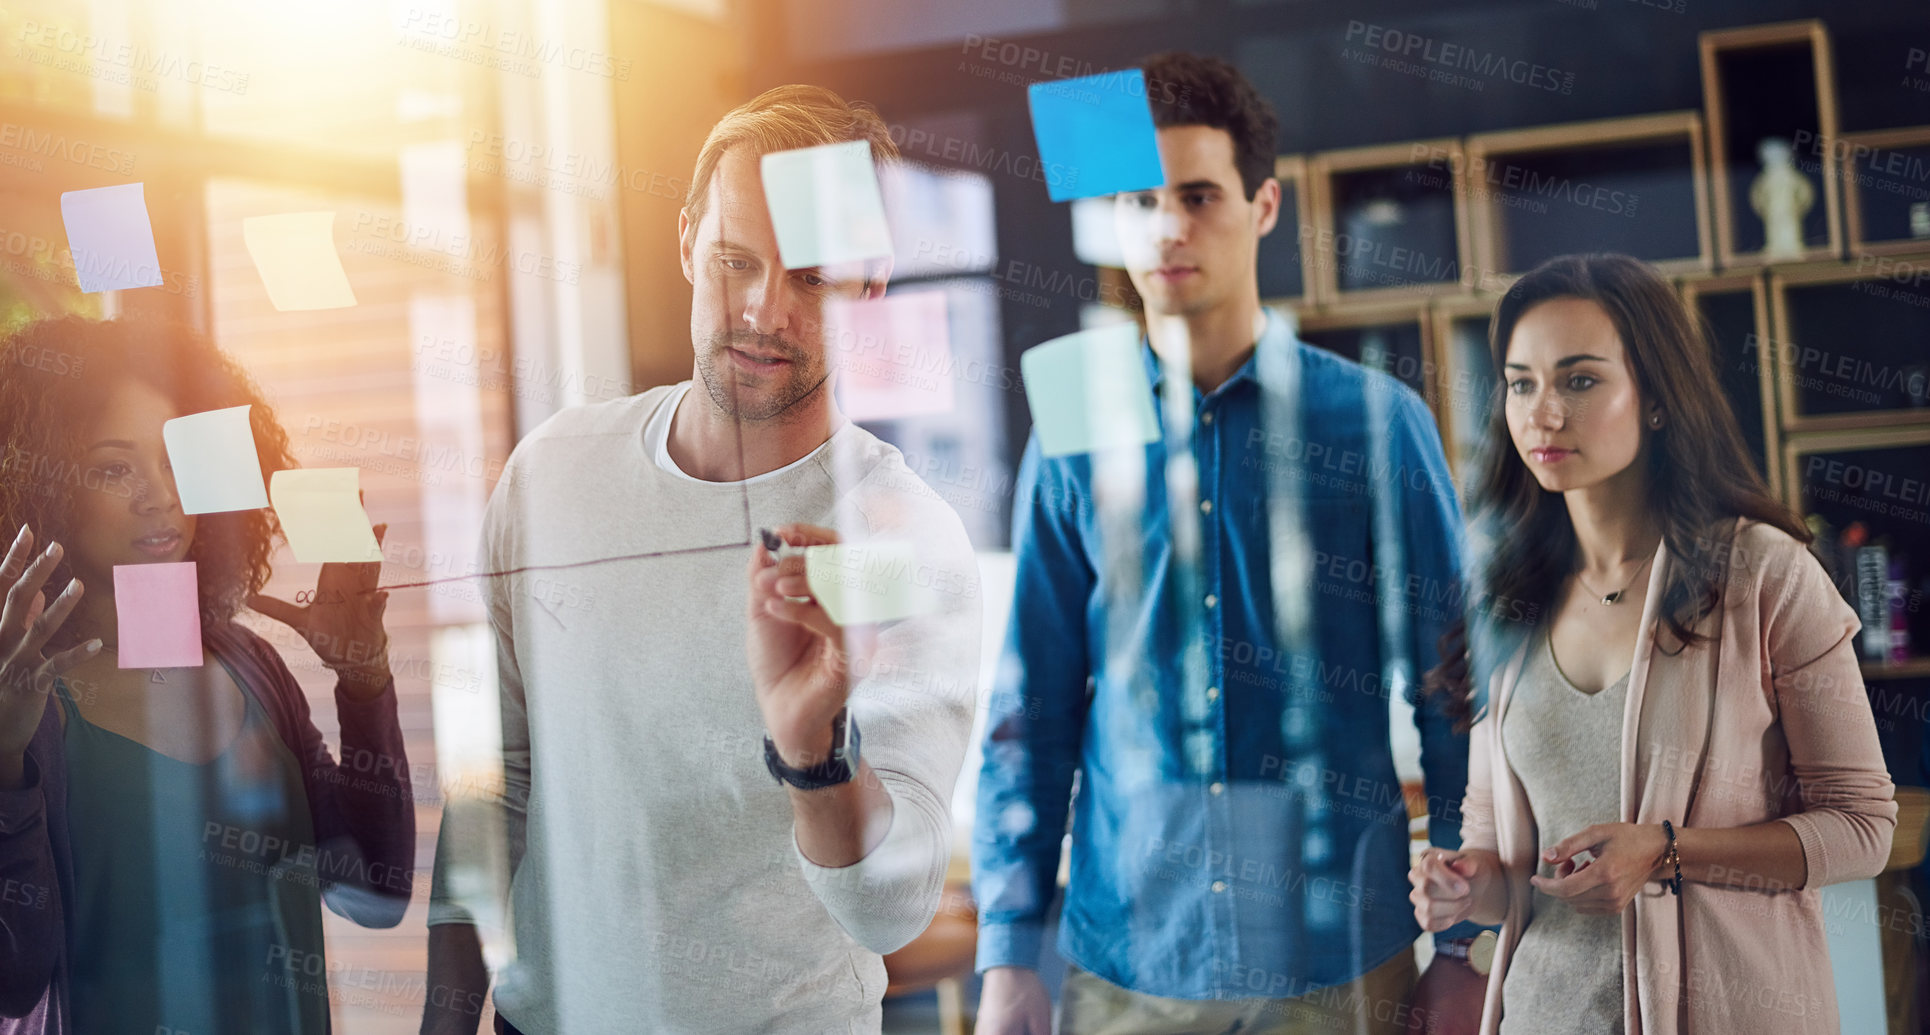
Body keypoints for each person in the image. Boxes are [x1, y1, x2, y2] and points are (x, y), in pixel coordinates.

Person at [420, 84, 981, 1034]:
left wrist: (815, 757)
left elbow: (890, 909)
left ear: (871, 284)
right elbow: (495, 784)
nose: (766, 310)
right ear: (686, 243)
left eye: (813, 277)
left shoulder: (897, 540)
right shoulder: (550, 477)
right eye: (735, 261)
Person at [972, 51, 1483, 1035]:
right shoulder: (1074, 427)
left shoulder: (1374, 425)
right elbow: (1028, 708)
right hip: (1129, 962)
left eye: (1197, 196)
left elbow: (1457, 699)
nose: (1167, 226)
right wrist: (1007, 953)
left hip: (1337, 960)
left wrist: (1464, 946)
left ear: (1263, 206)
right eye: (1138, 198)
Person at [1408, 253, 1898, 1034]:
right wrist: (1465, 889)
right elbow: (1504, 864)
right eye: (1521, 382)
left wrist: (1667, 852)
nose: (1543, 412)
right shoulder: (1506, 595)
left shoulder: (1764, 573)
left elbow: (1864, 827)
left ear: (1659, 398)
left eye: (1580, 379)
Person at [0, 316, 416, 1034]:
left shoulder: (251, 666)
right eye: (112, 466)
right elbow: (16, 979)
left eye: (173, 459)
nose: (159, 495)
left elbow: (374, 892)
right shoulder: (27, 703)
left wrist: (366, 682)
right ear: (42, 486)